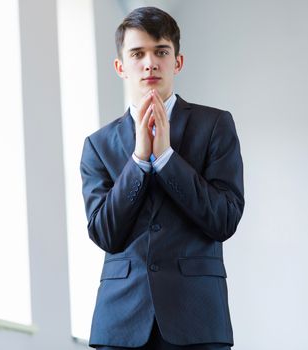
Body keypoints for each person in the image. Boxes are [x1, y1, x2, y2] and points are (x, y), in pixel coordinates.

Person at [80, 6, 244, 350]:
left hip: (197, 319)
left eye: (161, 52)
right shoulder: (97, 145)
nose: (150, 63)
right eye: (137, 54)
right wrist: (139, 160)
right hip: (120, 323)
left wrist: (168, 158)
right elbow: (105, 232)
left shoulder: (215, 126)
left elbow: (224, 219)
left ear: (177, 62)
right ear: (121, 67)